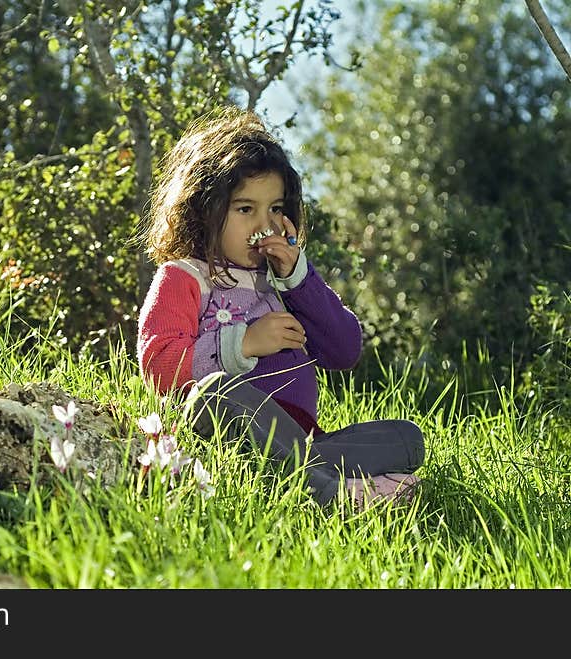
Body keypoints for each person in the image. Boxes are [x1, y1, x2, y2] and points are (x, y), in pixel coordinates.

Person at [136, 106, 424, 509]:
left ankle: (307, 474)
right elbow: (159, 364)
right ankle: (333, 492)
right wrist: (245, 343)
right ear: (204, 211)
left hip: (305, 439)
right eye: (245, 209)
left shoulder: (284, 282)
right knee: (211, 395)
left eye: (275, 209)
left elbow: (344, 350)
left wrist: (298, 277)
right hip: (227, 427)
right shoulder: (184, 277)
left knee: (406, 439)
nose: (263, 224)